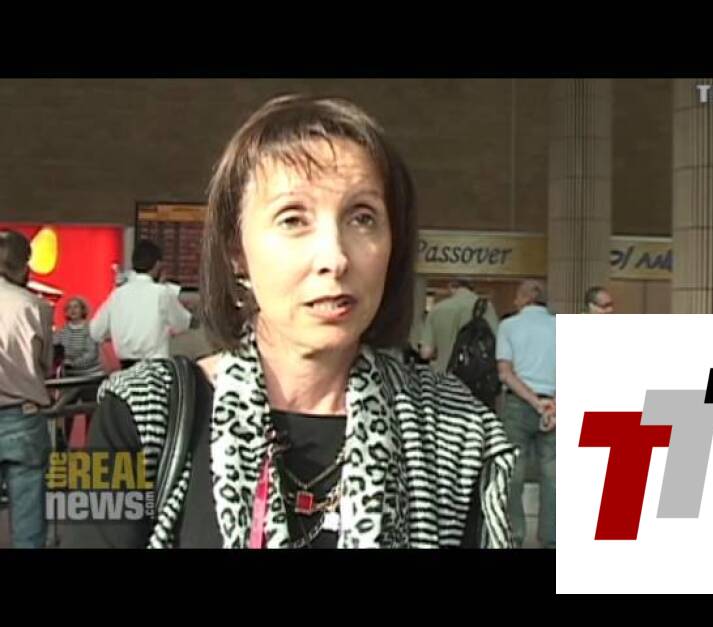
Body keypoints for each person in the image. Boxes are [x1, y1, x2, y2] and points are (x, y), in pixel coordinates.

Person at [65, 94, 516, 549]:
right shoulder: (126, 409)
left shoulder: (459, 429)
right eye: (293, 219)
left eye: (362, 218)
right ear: (236, 251)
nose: (335, 258)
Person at [0, 229, 53, 548]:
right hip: (24, 418)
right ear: (24, 265)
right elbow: (44, 364)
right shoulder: (35, 307)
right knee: (29, 526)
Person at [495, 279, 555, 549]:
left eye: (517, 297)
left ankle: (514, 534)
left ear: (524, 298)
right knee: (553, 474)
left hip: (518, 404)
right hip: (553, 406)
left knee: (514, 473)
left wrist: (533, 401)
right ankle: (552, 537)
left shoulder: (508, 326)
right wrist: (552, 404)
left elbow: (505, 373)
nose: (514, 302)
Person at [90, 240, 196, 368]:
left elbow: (95, 331)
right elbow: (182, 323)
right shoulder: (162, 293)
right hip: (155, 370)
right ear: (157, 265)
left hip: (125, 369)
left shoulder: (117, 294)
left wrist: (115, 333)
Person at [419, 278, 499, 373]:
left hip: (444, 374)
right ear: (472, 288)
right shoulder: (486, 307)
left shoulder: (437, 309)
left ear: (451, 287)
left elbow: (426, 353)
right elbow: (497, 344)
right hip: (475, 374)